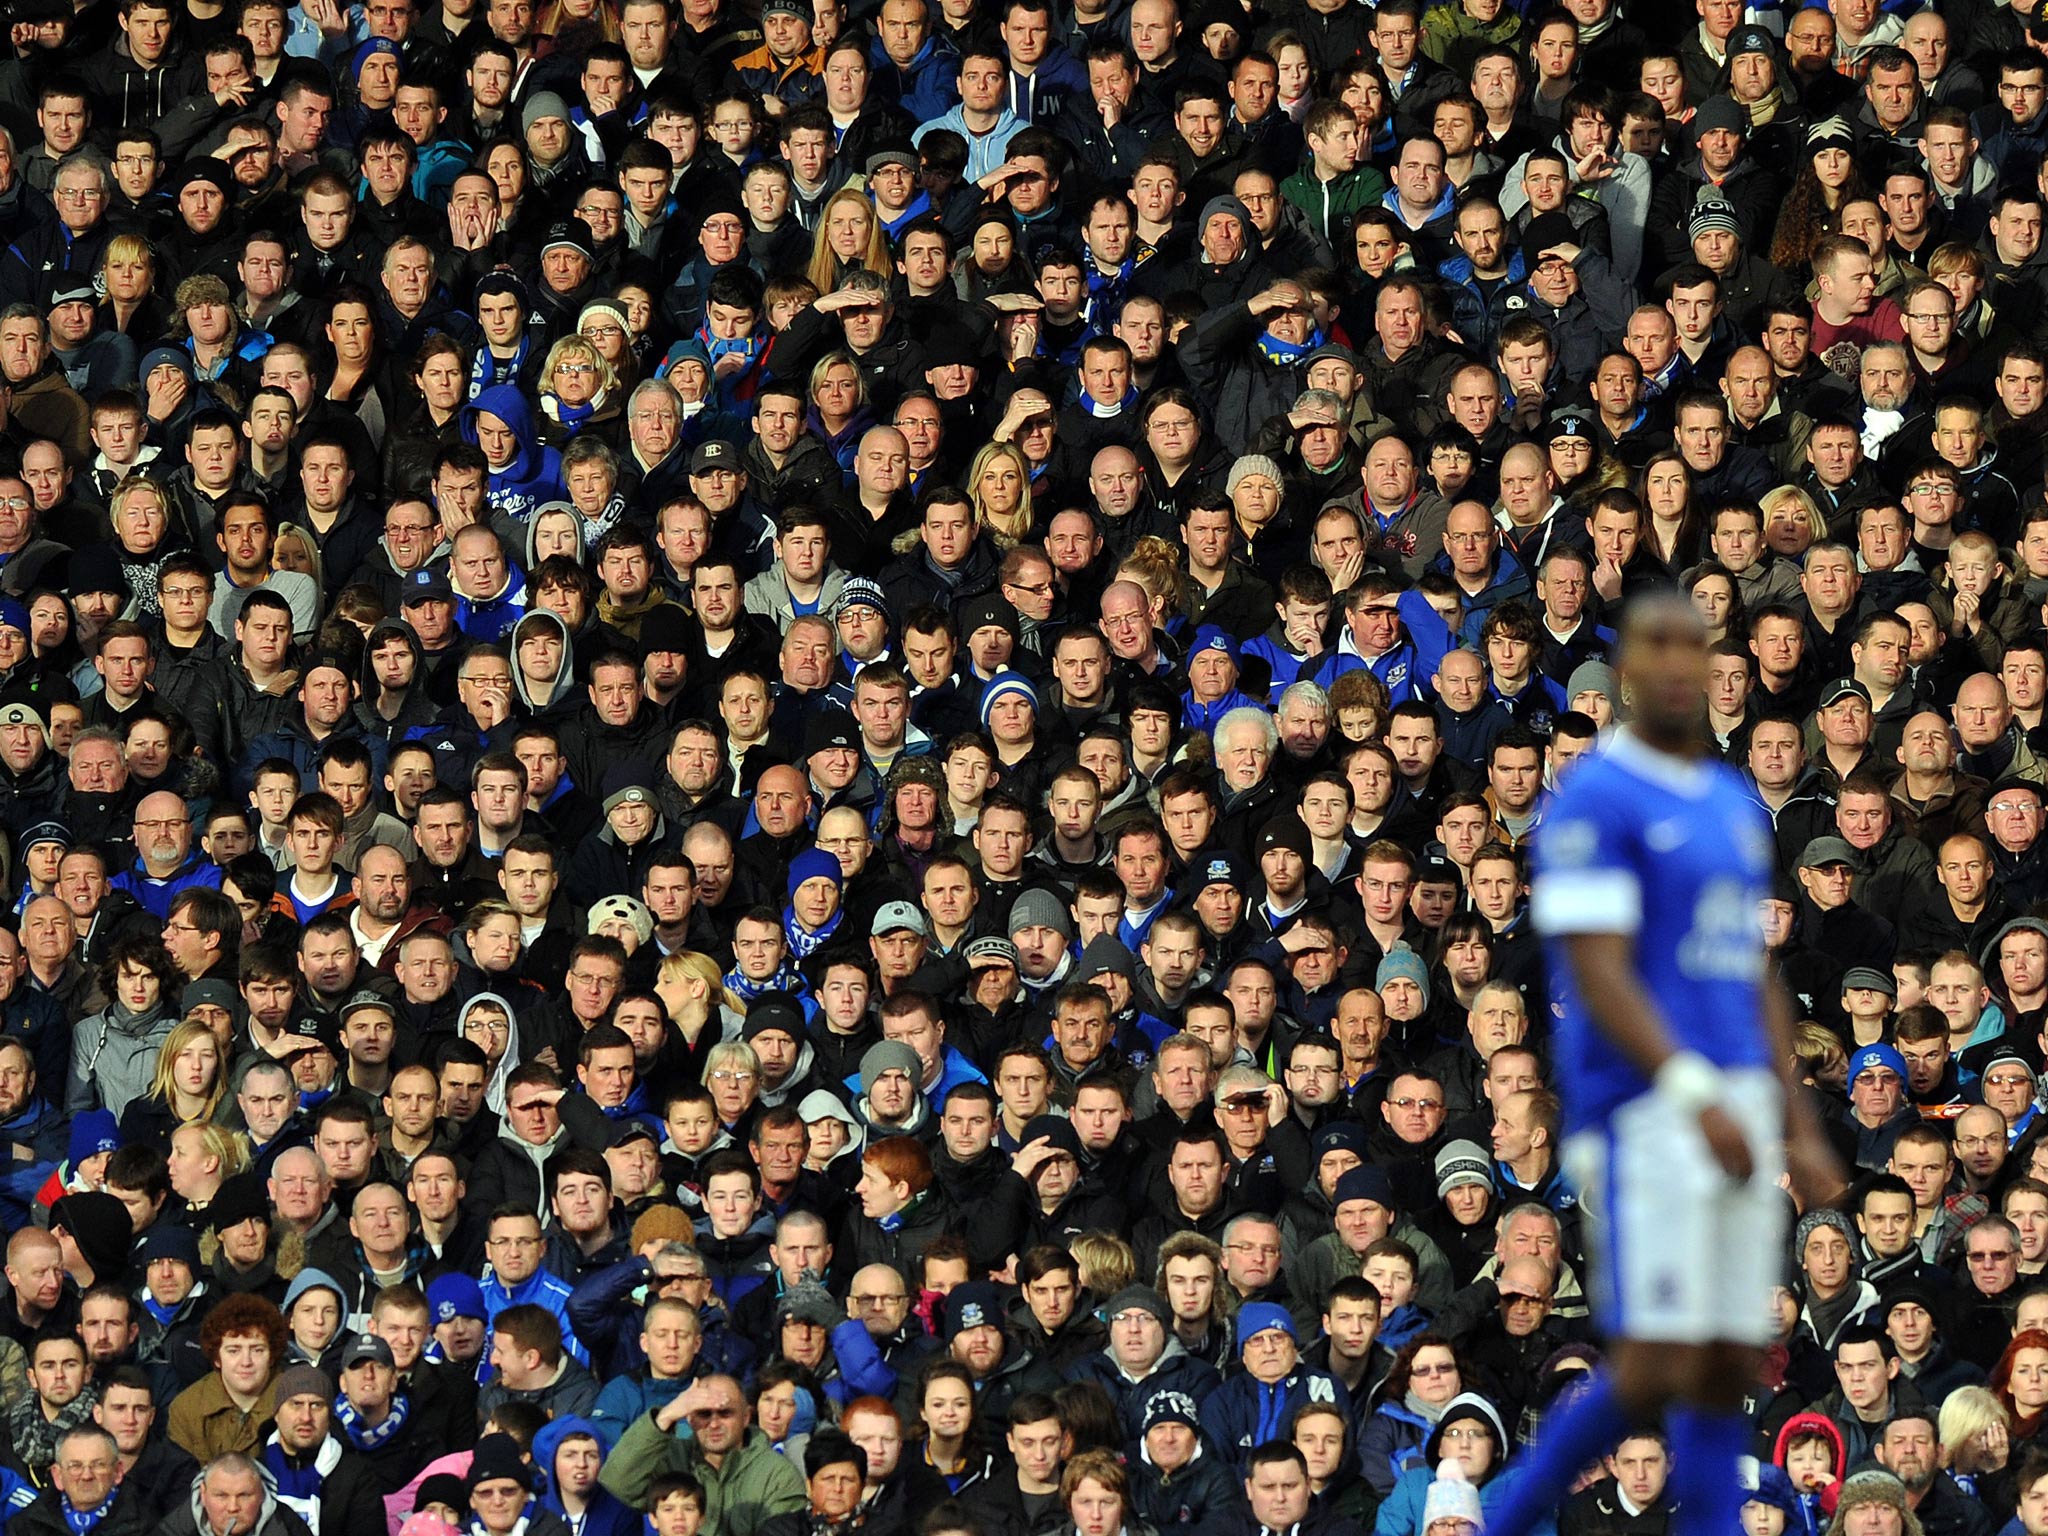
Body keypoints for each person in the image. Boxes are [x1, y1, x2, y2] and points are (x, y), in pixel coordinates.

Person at [1497, 592, 1846, 1536]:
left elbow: (1751, 977)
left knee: (1724, 1361)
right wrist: (1694, 1094)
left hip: (1729, 1101)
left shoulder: (1733, 802)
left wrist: (1799, 1122)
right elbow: (1601, 973)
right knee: (1659, 1361)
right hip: (1642, 1106)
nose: (1677, 670)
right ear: (1626, 679)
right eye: (1655, 652)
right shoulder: (1596, 801)